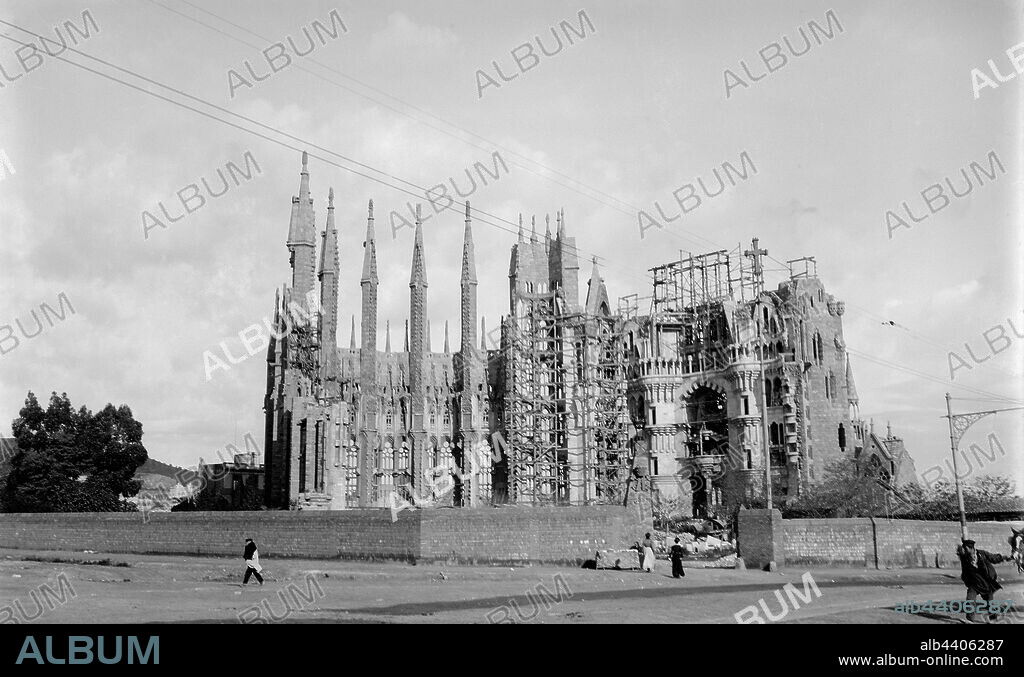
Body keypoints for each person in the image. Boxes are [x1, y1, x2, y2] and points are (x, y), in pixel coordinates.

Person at [956, 539, 1008, 622]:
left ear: (971, 548)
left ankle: (993, 620)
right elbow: (964, 571)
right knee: (970, 599)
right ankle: (970, 620)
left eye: (965, 548)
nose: (964, 550)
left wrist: (1004, 558)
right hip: (974, 584)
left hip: (986, 583)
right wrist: (967, 581)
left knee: (989, 603)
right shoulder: (965, 558)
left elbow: (993, 558)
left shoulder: (982, 554)